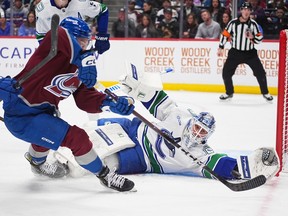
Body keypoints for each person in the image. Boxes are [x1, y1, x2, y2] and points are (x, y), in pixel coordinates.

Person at [54, 63, 280, 183]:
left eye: (202, 132)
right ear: (192, 123)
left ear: (205, 137)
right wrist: (138, 86)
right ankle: (57, 154)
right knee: (93, 129)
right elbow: (155, 100)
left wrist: (247, 167)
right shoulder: (180, 115)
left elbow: (221, 164)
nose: (197, 132)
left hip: (143, 159)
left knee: (107, 161)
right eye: (197, 127)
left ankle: (66, 168)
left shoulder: (201, 155)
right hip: (135, 128)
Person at [0, 17, 135, 192]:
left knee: (52, 127)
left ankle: (36, 162)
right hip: (21, 115)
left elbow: (85, 99)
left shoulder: (79, 70)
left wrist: (108, 102)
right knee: (75, 137)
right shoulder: (51, 47)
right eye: (80, 41)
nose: (84, 46)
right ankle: (105, 175)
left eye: (86, 42)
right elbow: (60, 34)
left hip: (43, 113)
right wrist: (85, 59)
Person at [217, 2, 273, 101]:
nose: (246, 12)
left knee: (260, 73)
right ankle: (229, 92)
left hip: (250, 53)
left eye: (248, 10)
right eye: (244, 9)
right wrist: (221, 47)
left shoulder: (253, 24)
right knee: (226, 73)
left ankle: (265, 92)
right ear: (241, 10)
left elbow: (260, 38)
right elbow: (225, 34)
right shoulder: (233, 23)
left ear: (250, 11)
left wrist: (253, 37)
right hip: (235, 52)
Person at [35, 0, 110, 55]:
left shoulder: (81, 3)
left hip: (80, 48)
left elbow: (103, 10)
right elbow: (41, 36)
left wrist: (102, 37)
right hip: (59, 50)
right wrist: (50, 51)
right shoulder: (42, 9)